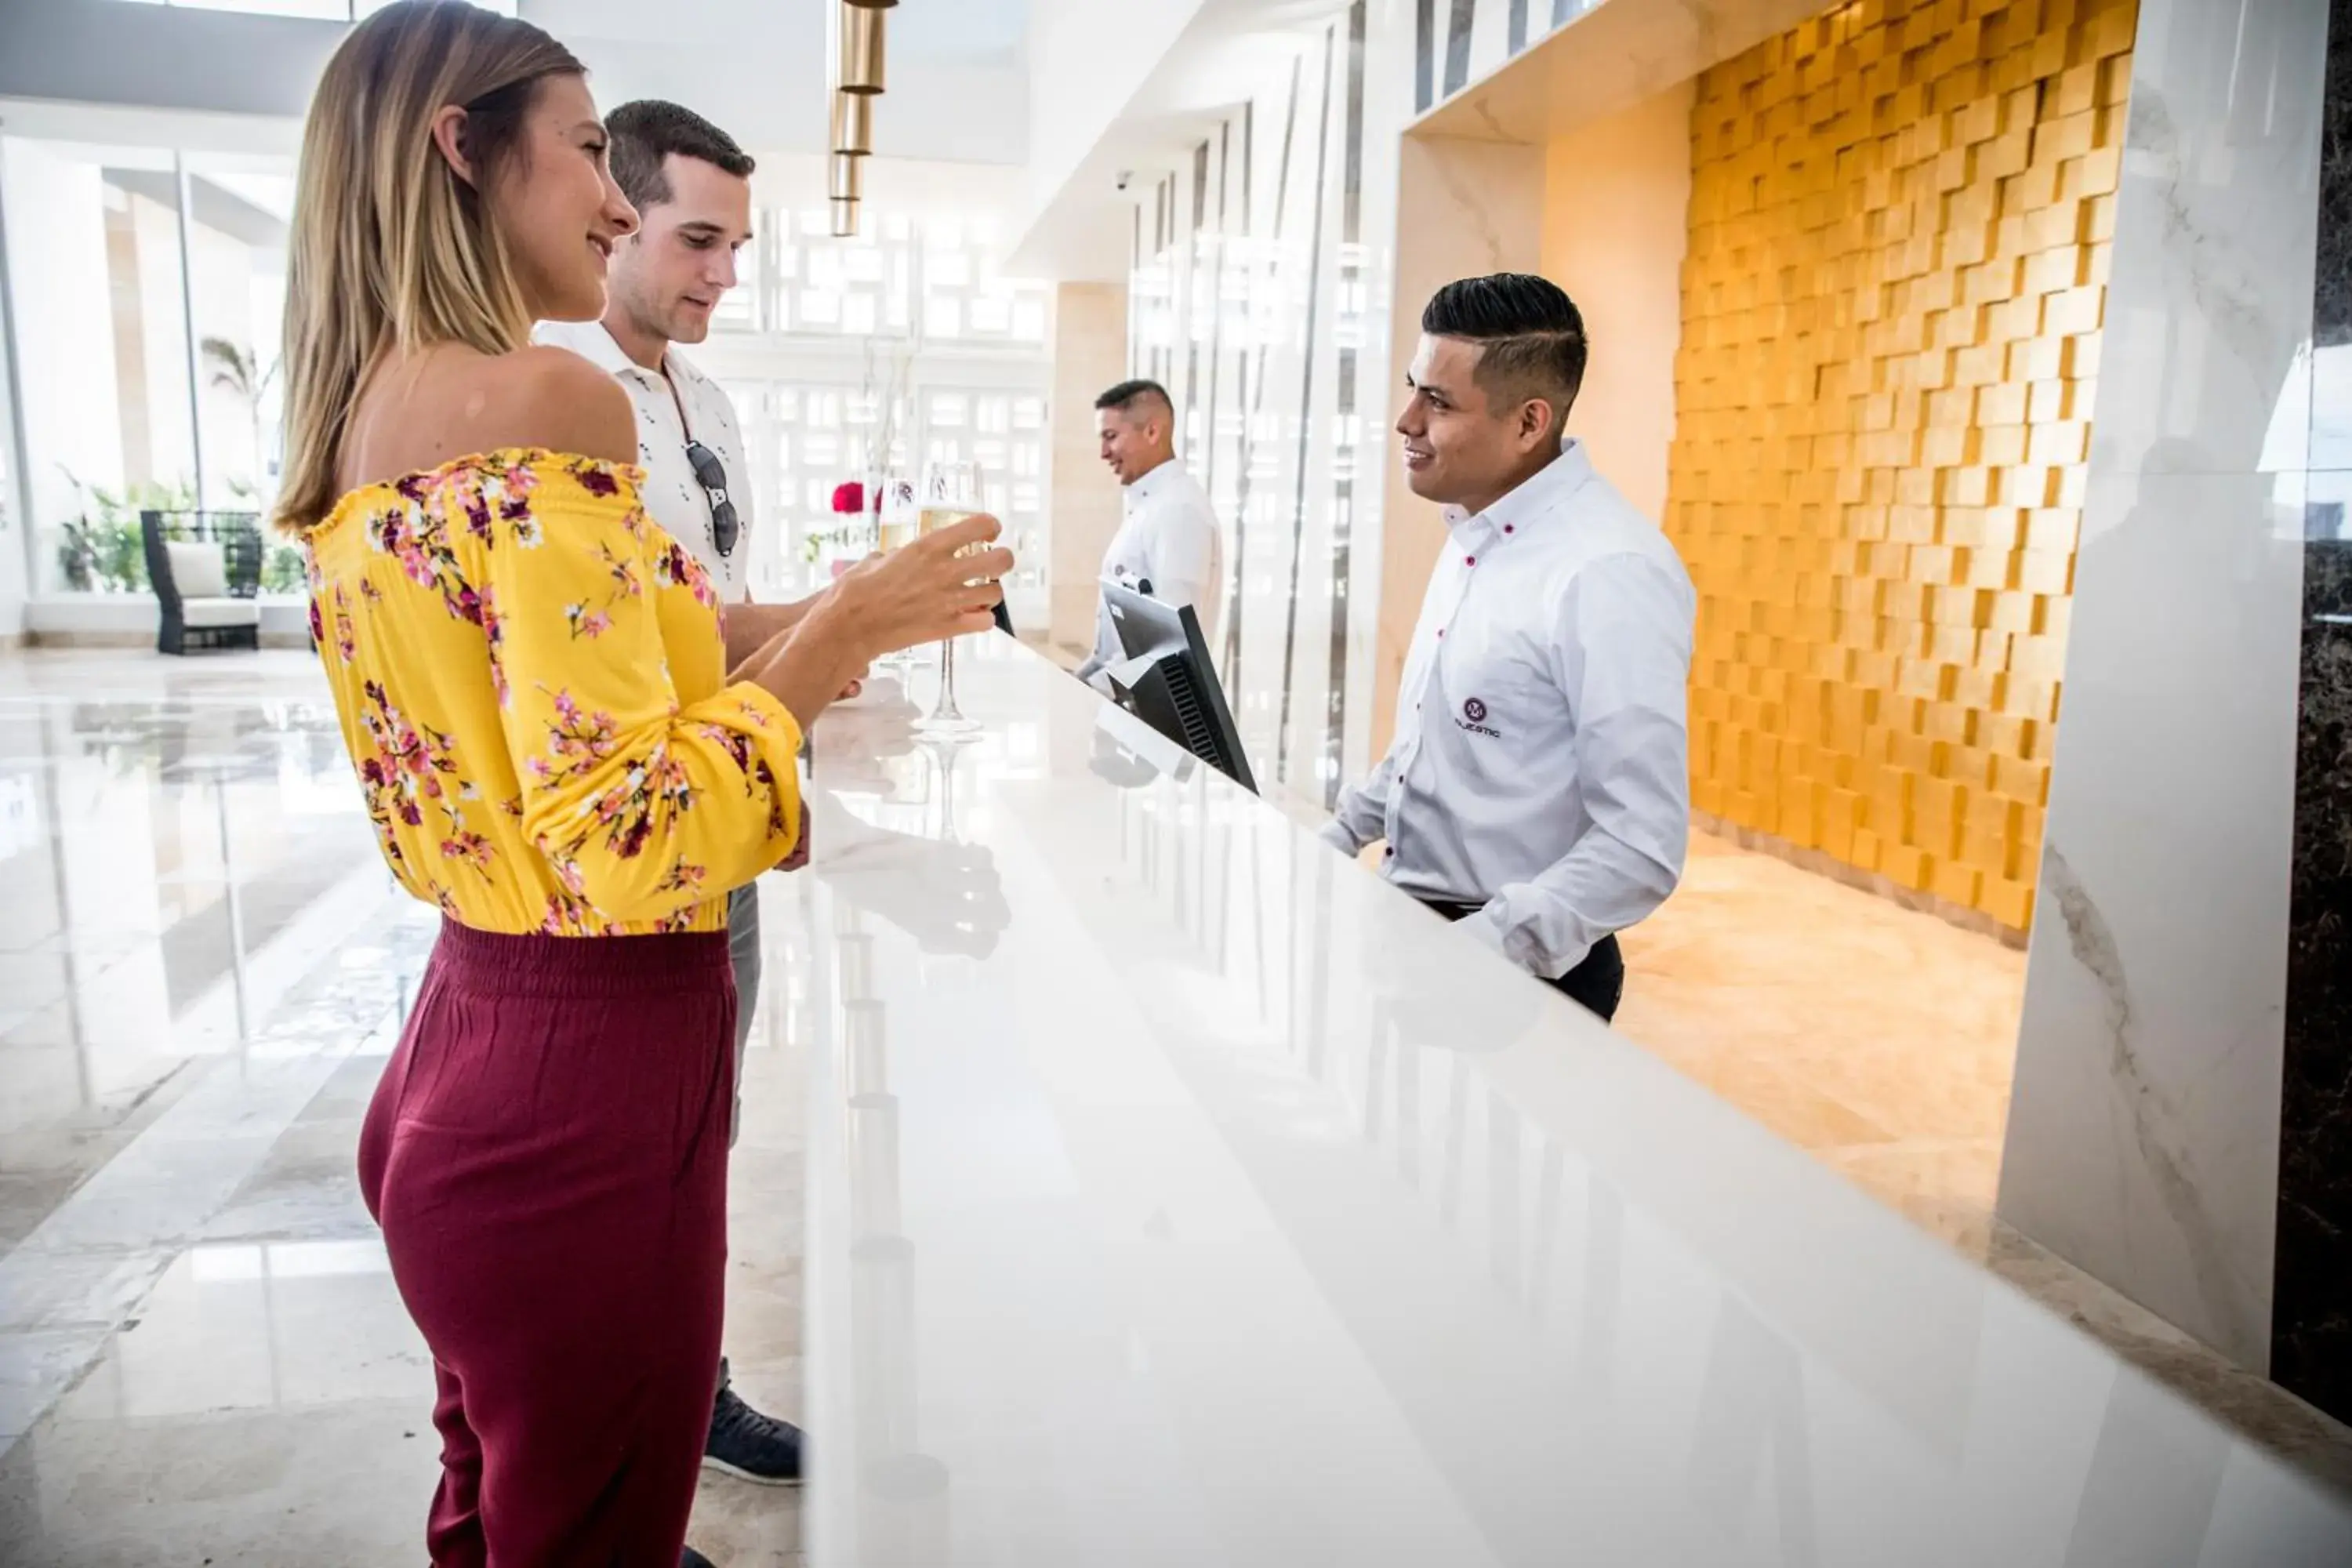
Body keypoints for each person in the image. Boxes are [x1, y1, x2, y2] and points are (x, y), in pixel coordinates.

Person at [275, 5, 1010, 1564]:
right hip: (584, 1081)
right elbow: (633, 832)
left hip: (460, 1041)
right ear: (461, 147)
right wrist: (839, 635)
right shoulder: (553, 401)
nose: (614, 203)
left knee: (491, 1514)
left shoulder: (361, 415)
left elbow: (560, 709)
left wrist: (832, 619)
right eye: (588, 152)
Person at [534, 97, 804, 1490]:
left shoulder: (713, 401)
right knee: (616, 1170)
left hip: (718, 826)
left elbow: (714, 619)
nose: (723, 275)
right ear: (616, 216)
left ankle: (691, 1394)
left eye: (738, 247)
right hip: (617, 844)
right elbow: (627, 650)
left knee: (703, 1141)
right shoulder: (547, 395)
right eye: (700, 240)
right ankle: (607, 1462)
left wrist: (784, 725)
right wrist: (844, 626)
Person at [1323, 274, 1694, 1022]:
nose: (1405, 421)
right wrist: (1336, 835)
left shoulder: (1607, 570)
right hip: (1416, 931)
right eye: (1413, 389)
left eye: (1439, 402)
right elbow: (1436, 741)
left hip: (1519, 973)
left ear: (1529, 423)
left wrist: (1480, 949)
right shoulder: (1477, 528)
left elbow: (1642, 842)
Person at [1073, 379, 1222, 690]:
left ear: (1152, 432)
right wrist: (1078, 682)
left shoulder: (1180, 511)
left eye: (1111, 437)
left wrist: (1094, 689)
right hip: (1120, 703)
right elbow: (1112, 649)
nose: (1103, 453)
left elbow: (1172, 650)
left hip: (1142, 711)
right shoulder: (1150, 507)